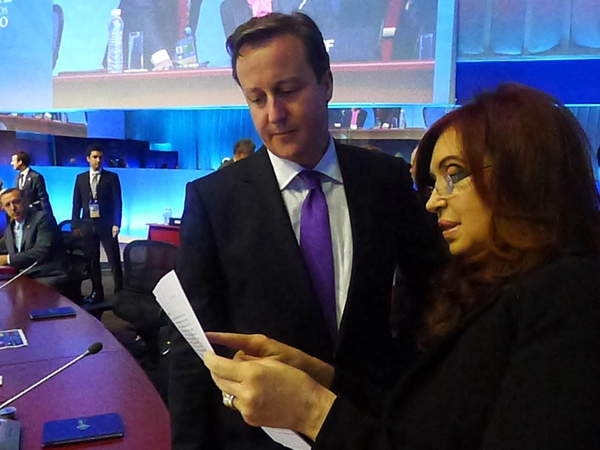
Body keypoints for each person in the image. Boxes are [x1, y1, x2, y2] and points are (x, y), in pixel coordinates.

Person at [204, 83, 600, 450]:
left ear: (524, 171)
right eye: (433, 183)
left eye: (454, 176)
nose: (433, 202)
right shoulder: (486, 287)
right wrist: (323, 378)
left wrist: (311, 409)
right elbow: (424, 422)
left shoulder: (570, 294)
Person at [169, 12, 443, 450]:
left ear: (327, 83)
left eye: (287, 90)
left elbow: (430, 289)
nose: (274, 114)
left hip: (370, 426)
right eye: (257, 99)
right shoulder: (214, 199)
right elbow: (194, 347)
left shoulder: (384, 181)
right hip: (260, 438)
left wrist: (400, 374)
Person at [72, 144, 124, 303]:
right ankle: (97, 291)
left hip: (107, 224)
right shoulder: (80, 178)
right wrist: (75, 225)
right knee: (92, 260)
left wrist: (116, 223)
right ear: (88, 158)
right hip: (87, 224)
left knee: (114, 259)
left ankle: (120, 291)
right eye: (95, 157)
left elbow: (117, 202)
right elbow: (76, 203)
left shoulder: (111, 177)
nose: (98, 160)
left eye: (100, 157)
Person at [0, 188, 69, 287]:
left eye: (16, 202)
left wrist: (7, 259)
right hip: (24, 275)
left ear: (26, 200)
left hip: (48, 275)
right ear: (3, 208)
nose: (13, 208)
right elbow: (4, 247)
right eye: (7, 205)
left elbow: (40, 253)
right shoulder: (11, 226)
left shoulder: (43, 219)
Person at [10, 151, 54, 217]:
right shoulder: (17, 177)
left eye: (13, 161)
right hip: (22, 214)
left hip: (35, 213)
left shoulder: (36, 177)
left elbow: (43, 197)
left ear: (20, 162)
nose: (11, 163)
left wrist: (47, 215)